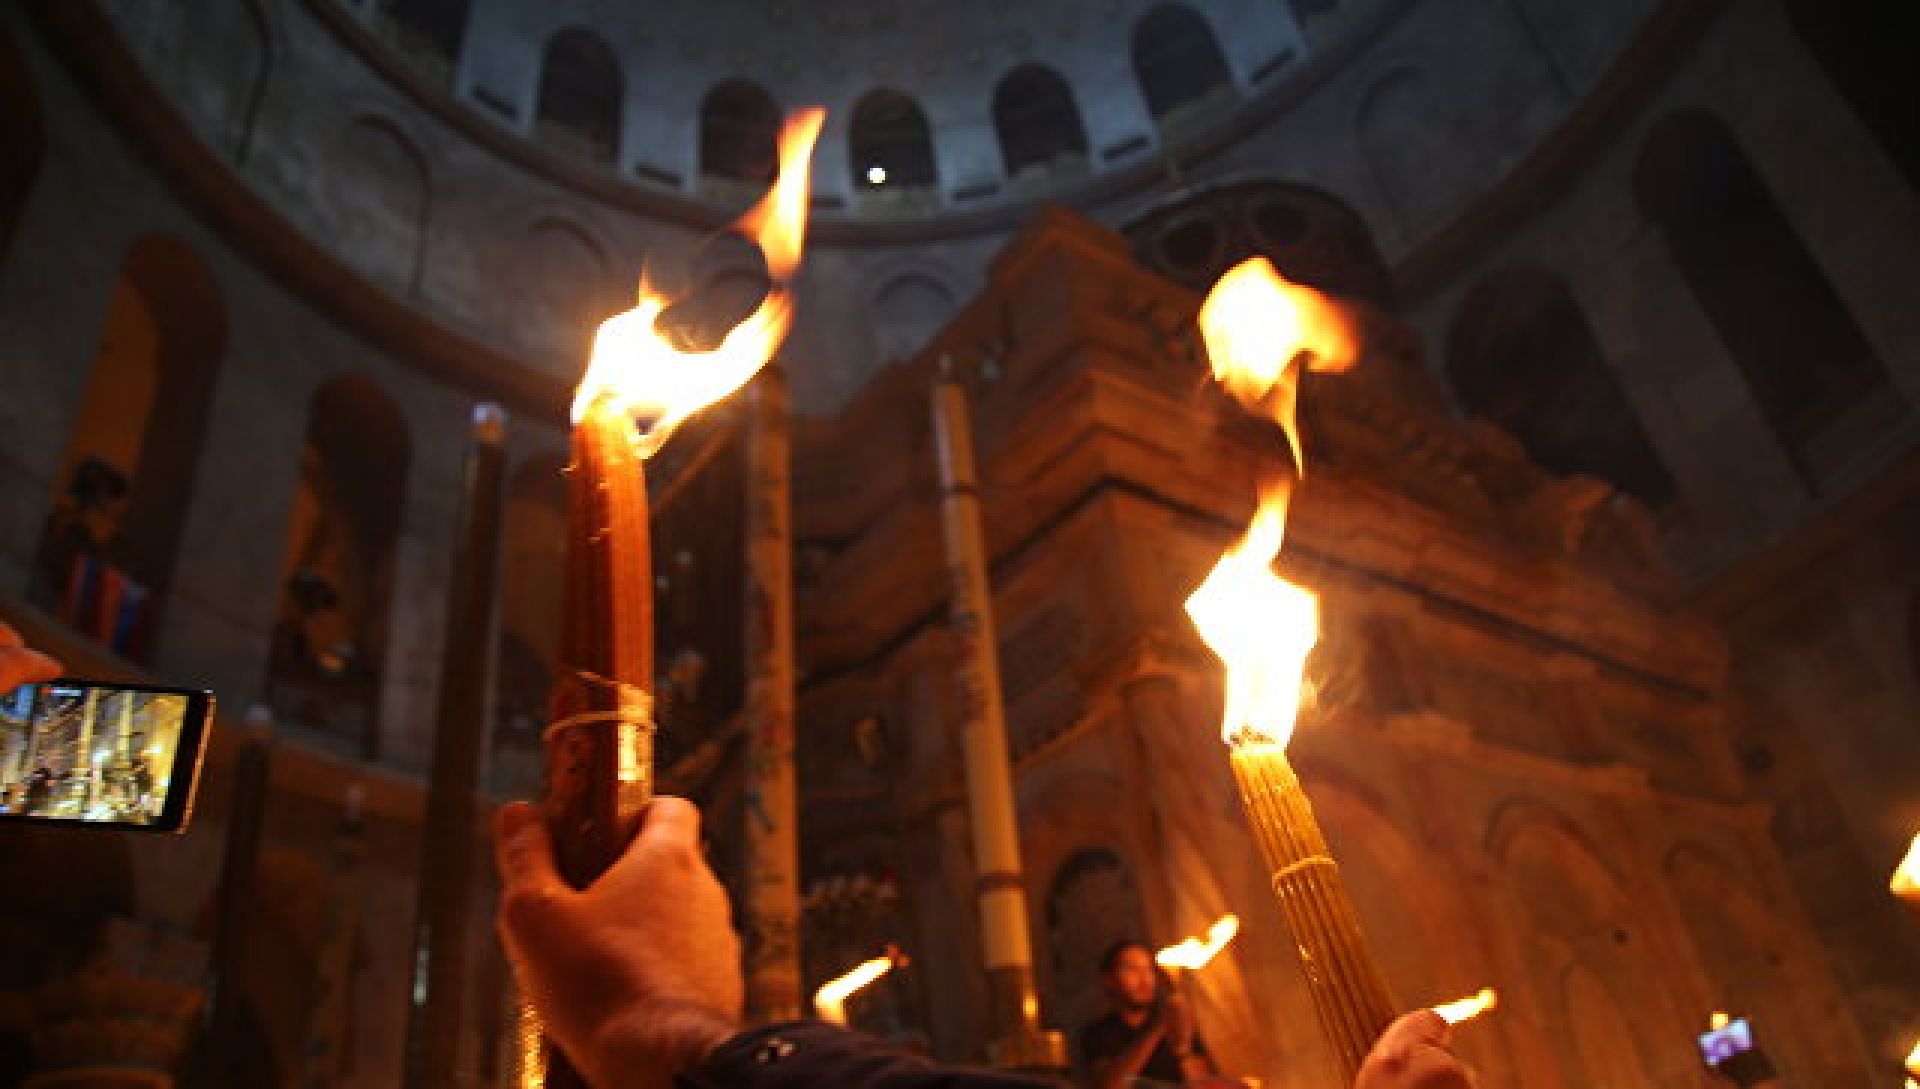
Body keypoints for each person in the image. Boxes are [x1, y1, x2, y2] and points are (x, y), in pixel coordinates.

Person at [495, 796, 1477, 1089]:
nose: (1142, 974)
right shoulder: (1103, 1034)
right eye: (1131, 969)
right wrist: (672, 1029)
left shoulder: (1172, 1021)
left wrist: (666, 1029)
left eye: (1146, 966)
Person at [1076, 940, 1221, 1089]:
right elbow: (1110, 1086)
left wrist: (1183, 1047)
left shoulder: (1176, 1025)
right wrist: (1158, 1027)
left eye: (1149, 970)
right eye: (1132, 970)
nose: (1144, 980)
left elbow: (1204, 1083)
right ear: (1109, 979)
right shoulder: (1098, 1034)